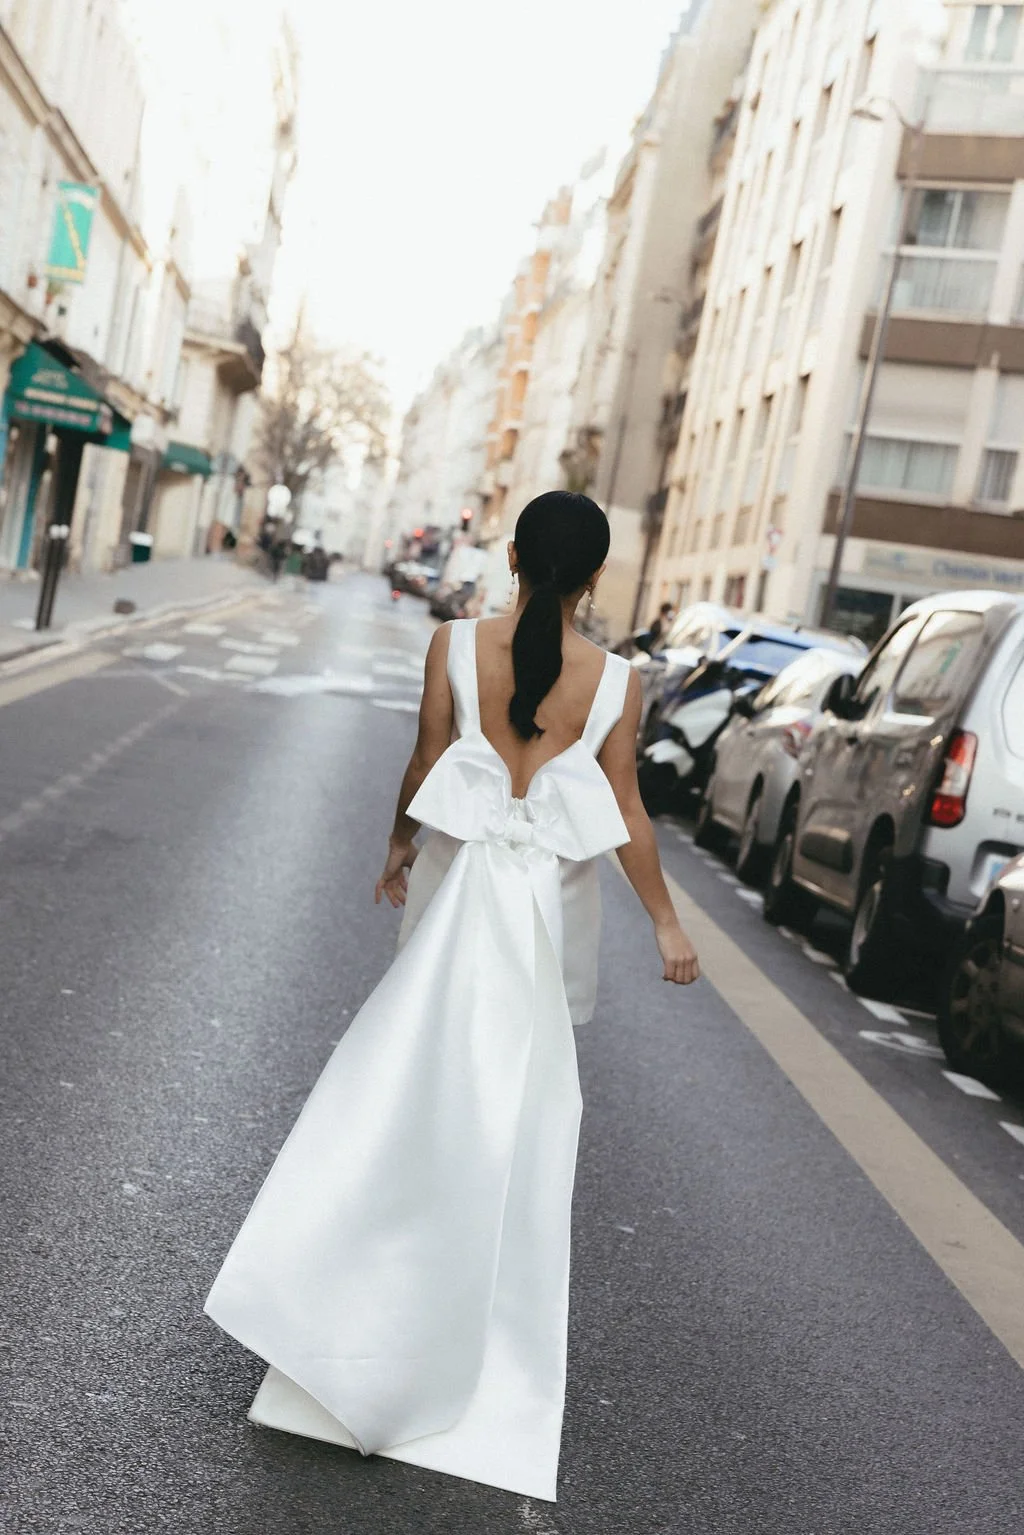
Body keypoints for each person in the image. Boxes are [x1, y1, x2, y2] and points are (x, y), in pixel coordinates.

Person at [204, 490, 701, 1502]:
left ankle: (356, 1320)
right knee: (511, 1134)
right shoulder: (618, 682)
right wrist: (665, 922)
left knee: (408, 1108)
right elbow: (625, 807)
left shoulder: (453, 646)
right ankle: (477, 1339)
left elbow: (427, 760)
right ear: (597, 577)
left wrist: (398, 843)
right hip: (545, 923)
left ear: (511, 556)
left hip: (453, 901)